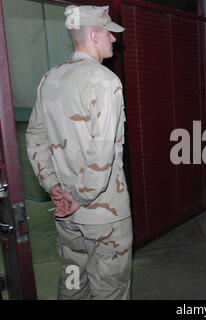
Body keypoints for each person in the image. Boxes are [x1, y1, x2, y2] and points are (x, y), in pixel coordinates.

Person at [26, 5, 133, 300]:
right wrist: (79, 197)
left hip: (65, 213)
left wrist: (54, 187)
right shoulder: (105, 81)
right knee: (109, 289)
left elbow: (35, 135)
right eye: (109, 33)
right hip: (102, 214)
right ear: (95, 34)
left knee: (73, 279)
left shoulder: (50, 78)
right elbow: (102, 152)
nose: (114, 39)